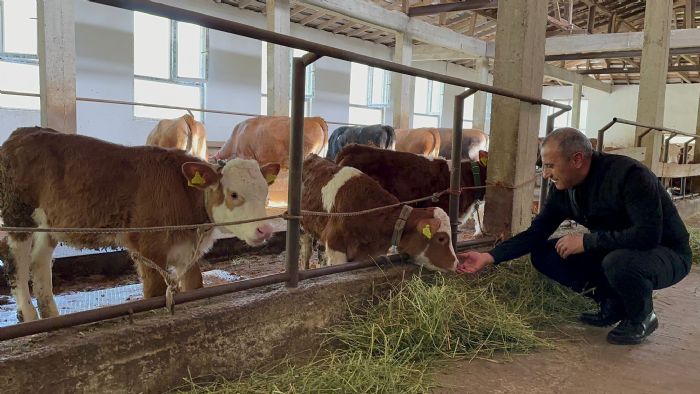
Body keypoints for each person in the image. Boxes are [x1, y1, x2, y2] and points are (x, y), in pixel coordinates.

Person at [457, 127, 692, 345]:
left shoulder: (630, 176)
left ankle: (641, 316)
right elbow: (536, 233)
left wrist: (587, 241)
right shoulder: (565, 191)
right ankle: (610, 303)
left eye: (550, 165)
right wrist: (490, 257)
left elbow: (647, 235)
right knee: (545, 253)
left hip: (666, 254)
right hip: (618, 250)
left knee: (619, 262)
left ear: (577, 159)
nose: (546, 174)